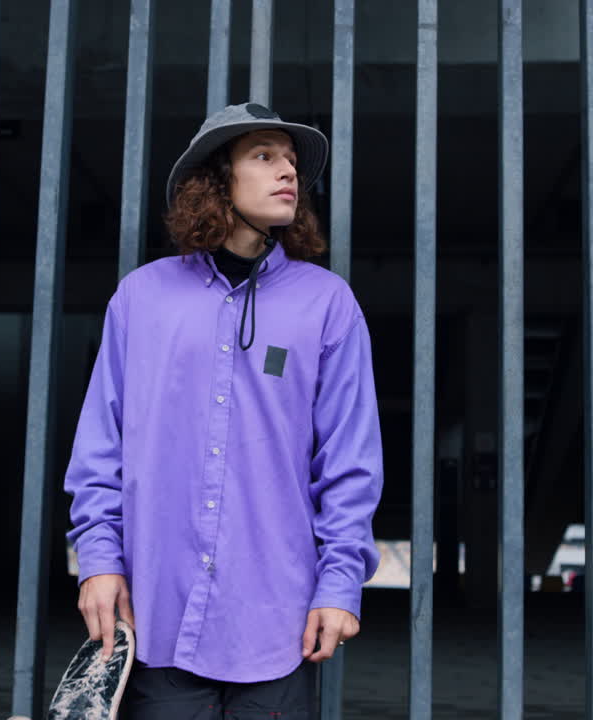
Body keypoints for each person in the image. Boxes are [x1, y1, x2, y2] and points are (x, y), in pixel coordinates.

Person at [65, 101, 383, 719]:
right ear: (215, 179)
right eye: (264, 156)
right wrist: (99, 560)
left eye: (291, 162)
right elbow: (101, 445)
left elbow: (350, 459)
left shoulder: (328, 304)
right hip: (156, 616)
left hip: (278, 625)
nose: (288, 172)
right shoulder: (141, 297)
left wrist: (341, 582)